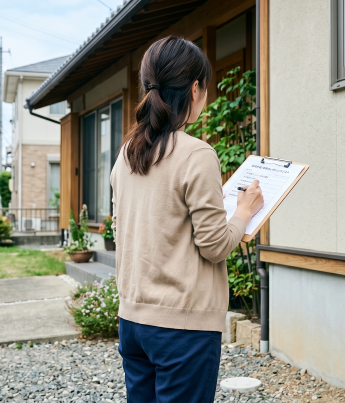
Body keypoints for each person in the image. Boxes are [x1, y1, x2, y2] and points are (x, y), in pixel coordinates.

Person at [110, 35, 265, 402]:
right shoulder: (197, 154)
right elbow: (214, 246)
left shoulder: (127, 153)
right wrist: (244, 212)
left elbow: (122, 229)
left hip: (132, 320)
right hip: (182, 327)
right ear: (195, 89)